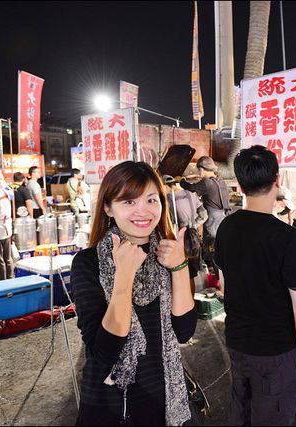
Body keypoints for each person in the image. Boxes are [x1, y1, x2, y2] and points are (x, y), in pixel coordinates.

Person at [71, 161, 197, 425]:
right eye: (129, 202)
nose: (143, 211)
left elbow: (184, 331)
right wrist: (124, 277)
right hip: (112, 404)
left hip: (165, 396)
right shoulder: (88, 262)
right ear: (108, 207)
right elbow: (104, 350)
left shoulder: (167, 254)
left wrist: (180, 267)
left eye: (151, 200)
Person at [214, 145, 296, 426]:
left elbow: (224, 286)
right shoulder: (288, 238)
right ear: (277, 180)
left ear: (240, 184)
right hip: (276, 352)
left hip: (237, 343)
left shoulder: (226, 227)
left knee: (241, 412)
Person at [179, 156, 230, 273]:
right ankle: (218, 276)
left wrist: (181, 181)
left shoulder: (206, 183)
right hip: (223, 219)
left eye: (199, 170)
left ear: (202, 169)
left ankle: (216, 277)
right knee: (220, 249)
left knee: (212, 250)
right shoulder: (220, 181)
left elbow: (190, 187)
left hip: (213, 221)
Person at [166, 182, 208, 291]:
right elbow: (204, 215)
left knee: (182, 272)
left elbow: (169, 222)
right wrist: (193, 226)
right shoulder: (191, 195)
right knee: (192, 272)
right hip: (194, 238)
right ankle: (192, 302)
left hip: (180, 239)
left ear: (167, 185)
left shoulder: (168, 199)